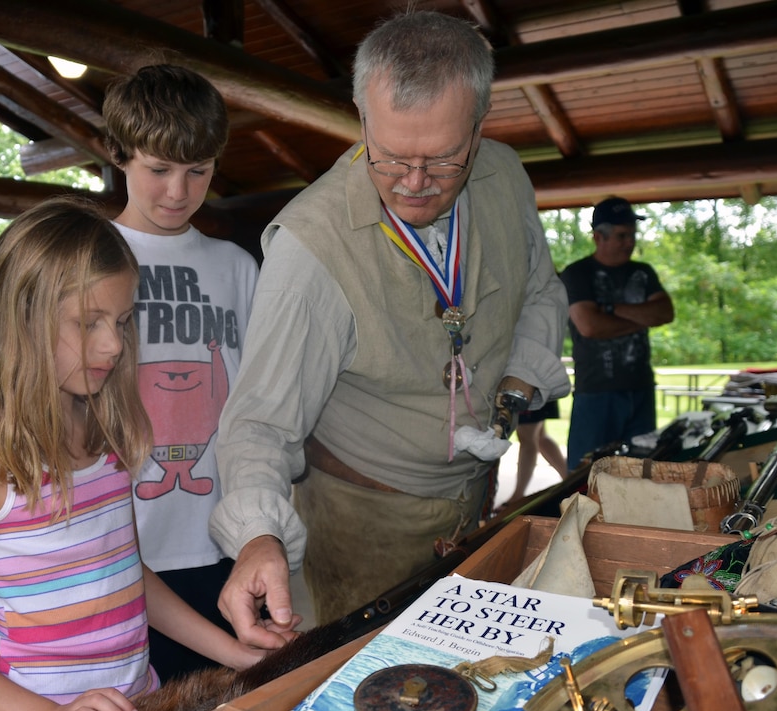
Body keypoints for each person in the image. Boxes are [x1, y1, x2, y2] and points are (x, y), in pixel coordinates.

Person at [208, 10, 571, 646]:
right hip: (355, 525)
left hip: (472, 501)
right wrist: (259, 535)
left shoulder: (505, 176)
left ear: (480, 130)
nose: (412, 183)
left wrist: (513, 389)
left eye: (441, 160)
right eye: (391, 157)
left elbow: (539, 289)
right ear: (363, 119)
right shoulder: (311, 248)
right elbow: (260, 423)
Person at [0, 197, 277, 711]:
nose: (115, 346)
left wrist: (232, 650)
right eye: (89, 323)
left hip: (140, 700)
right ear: (20, 321)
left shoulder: (105, 434)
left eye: (122, 322)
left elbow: (124, 572)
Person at [102, 64, 260, 682]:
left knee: (214, 697)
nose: (178, 191)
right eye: (159, 169)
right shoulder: (87, 257)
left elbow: (255, 400)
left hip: (217, 541)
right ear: (119, 154)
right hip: (113, 541)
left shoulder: (236, 266)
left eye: (198, 171)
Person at [561, 196, 674, 469]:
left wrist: (608, 309)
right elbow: (589, 326)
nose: (630, 242)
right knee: (585, 475)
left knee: (643, 472)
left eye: (632, 235)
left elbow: (665, 313)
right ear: (599, 237)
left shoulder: (643, 272)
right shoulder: (577, 273)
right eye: (622, 236)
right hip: (596, 392)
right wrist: (640, 317)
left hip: (640, 389)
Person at [506, 400, 568, 506]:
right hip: (537, 390)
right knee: (540, 437)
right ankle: (570, 481)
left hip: (530, 391)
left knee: (528, 439)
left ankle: (517, 498)